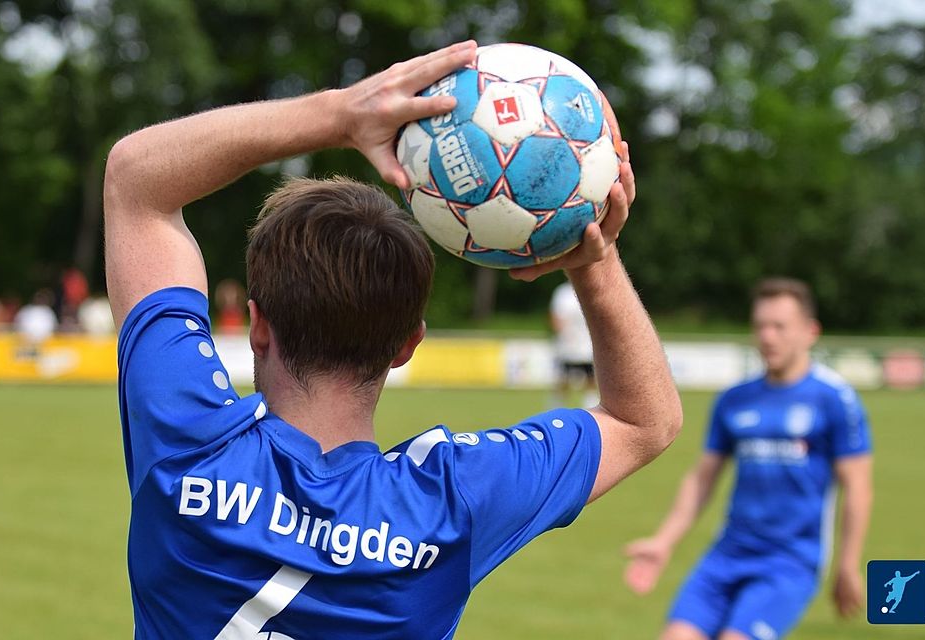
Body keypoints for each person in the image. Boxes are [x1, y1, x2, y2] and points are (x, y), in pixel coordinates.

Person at [104, 40, 682, 639]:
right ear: (409, 344)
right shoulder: (454, 499)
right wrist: (592, 255)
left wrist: (340, 114)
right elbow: (646, 420)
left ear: (258, 325)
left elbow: (136, 181)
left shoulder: (188, 439)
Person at [623, 278, 873, 640]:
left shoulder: (835, 399)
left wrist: (849, 564)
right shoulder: (734, 399)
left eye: (779, 327)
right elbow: (702, 478)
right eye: (760, 326)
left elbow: (858, 488)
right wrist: (664, 540)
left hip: (790, 562)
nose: (768, 337)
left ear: (810, 332)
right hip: (727, 554)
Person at [550, 280, 597, 407]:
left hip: (588, 344)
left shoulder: (591, 288)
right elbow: (556, 317)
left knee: (591, 377)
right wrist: (564, 335)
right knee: (564, 378)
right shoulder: (563, 293)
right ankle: (556, 406)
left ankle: (591, 406)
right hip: (568, 344)